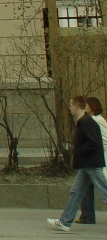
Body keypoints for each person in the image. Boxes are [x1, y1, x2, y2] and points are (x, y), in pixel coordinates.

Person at [48, 95, 107, 231]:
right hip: (86, 165)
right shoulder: (84, 121)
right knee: (76, 192)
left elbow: (93, 142)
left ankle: (65, 221)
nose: (69, 109)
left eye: (71, 105)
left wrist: (79, 151)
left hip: (91, 164)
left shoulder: (86, 122)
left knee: (104, 191)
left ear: (76, 106)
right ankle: (65, 221)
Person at [77, 96, 107, 224]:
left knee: (103, 188)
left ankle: (87, 216)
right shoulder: (92, 120)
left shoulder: (96, 121)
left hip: (98, 160)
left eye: (87, 106)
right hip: (91, 160)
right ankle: (87, 216)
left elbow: (104, 140)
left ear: (92, 107)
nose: (85, 108)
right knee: (84, 188)